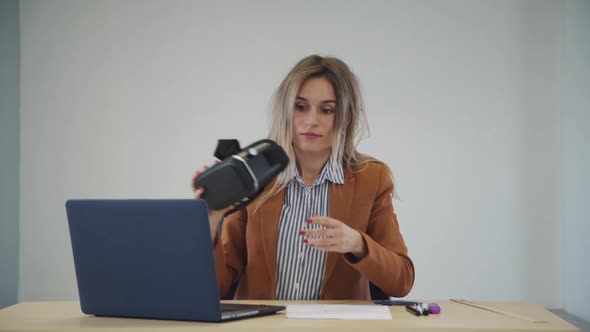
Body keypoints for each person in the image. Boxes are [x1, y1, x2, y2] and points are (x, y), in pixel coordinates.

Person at [192, 55, 414, 300]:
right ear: (287, 111)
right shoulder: (254, 178)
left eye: (327, 110)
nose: (311, 121)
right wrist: (211, 220)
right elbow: (214, 290)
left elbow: (402, 281)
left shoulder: (372, 178)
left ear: (346, 118)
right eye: (300, 107)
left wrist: (358, 244)